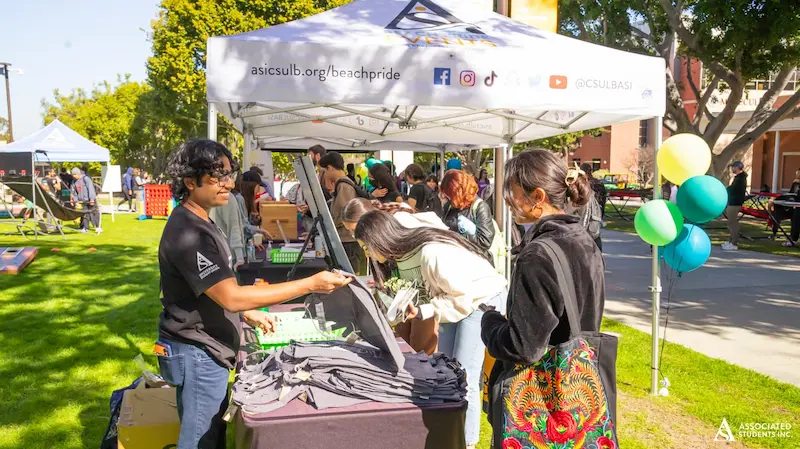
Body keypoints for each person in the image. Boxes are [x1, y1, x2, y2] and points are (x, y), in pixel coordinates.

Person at [157, 140, 350, 449]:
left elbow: (209, 289)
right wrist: (310, 284)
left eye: (229, 174)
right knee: (200, 440)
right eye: (217, 176)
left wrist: (247, 312)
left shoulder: (201, 221)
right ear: (190, 181)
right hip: (198, 351)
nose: (229, 183)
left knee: (211, 436)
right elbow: (231, 296)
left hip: (207, 348)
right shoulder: (188, 232)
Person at [481, 149, 607, 448]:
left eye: (511, 193)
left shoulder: (538, 253)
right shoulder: (583, 238)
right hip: (581, 393)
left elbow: (523, 347)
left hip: (540, 402)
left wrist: (489, 322)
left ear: (537, 196)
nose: (507, 202)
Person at [355, 210, 506, 449]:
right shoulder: (401, 256)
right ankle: (450, 434)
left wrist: (425, 309)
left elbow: (462, 296)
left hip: (480, 300)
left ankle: (466, 441)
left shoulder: (429, 253)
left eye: (367, 247)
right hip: (454, 302)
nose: (367, 254)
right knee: (447, 370)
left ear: (380, 238)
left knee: (464, 372)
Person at [342, 198, 447, 355]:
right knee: (402, 341)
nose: (353, 235)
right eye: (349, 231)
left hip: (426, 293)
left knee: (420, 346)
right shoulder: (373, 240)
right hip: (404, 295)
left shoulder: (400, 225)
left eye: (354, 229)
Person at [319, 151, 366, 274]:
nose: (324, 176)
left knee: (350, 276)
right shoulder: (342, 184)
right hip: (347, 240)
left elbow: (347, 214)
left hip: (348, 241)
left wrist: (332, 224)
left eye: (324, 171)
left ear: (329, 168)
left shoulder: (344, 186)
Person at [440, 170, 495, 254]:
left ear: (458, 192)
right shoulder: (449, 205)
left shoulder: (480, 207)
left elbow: (485, 242)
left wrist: (455, 237)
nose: (446, 197)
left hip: (473, 260)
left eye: (450, 194)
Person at [723, 161, 748, 251]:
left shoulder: (740, 179)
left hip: (735, 203)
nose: (732, 169)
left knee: (732, 223)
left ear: (737, 167)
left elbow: (734, 190)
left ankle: (734, 243)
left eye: (733, 167)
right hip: (733, 202)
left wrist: (726, 190)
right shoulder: (738, 178)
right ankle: (731, 241)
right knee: (731, 222)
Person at [70, 167, 101, 234]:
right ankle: (85, 228)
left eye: (74, 175)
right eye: (73, 175)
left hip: (90, 200)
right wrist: (76, 201)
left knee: (94, 213)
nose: (74, 177)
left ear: (78, 174)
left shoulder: (86, 179)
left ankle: (98, 227)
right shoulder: (73, 182)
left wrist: (92, 199)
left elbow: (91, 189)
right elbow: (74, 192)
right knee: (84, 214)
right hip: (82, 201)